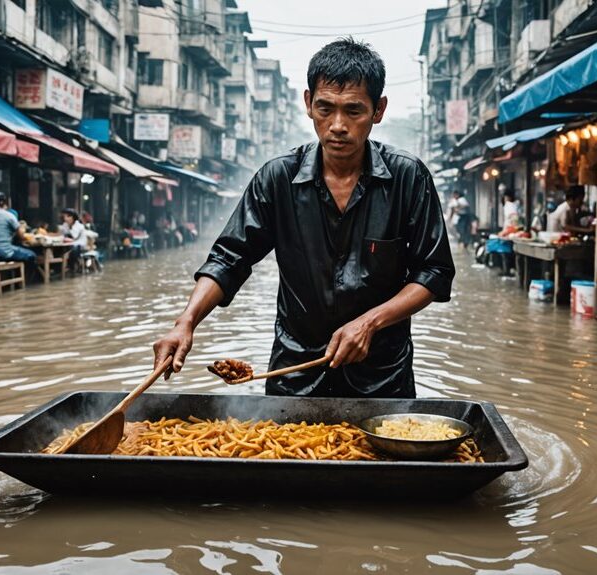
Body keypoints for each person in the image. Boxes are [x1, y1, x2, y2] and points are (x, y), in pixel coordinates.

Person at [153, 38, 455, 398]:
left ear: (378, 110)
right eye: (325, 108)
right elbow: (229, 258)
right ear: (309, 103)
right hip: (295, 373)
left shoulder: (408, 177)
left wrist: (370, 323)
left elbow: (435, 273)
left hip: (381, 377)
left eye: (354, 111)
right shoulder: (278, 178)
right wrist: (186, 322)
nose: (338, 125)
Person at [0, 192, 36, 263]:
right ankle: (25, 273)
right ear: (4, 203)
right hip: (5, 252)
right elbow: (21, 236)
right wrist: (22, 227)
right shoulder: (9, 215)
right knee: (32, 255)